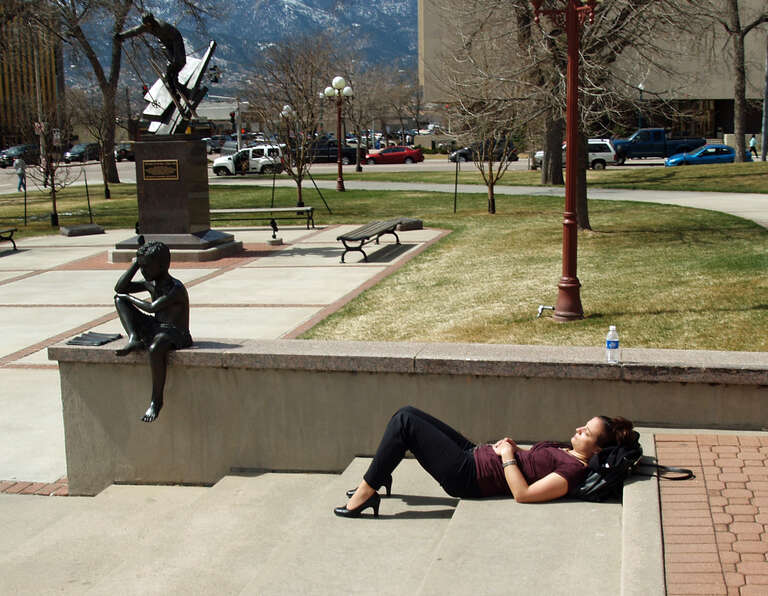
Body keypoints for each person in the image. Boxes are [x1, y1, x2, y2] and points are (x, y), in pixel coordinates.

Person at [335, 405, 634, 518]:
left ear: (597, 450)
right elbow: (533, 463)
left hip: (469, 476)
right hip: (475, 454)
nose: (579, 429)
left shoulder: (572, 471)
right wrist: (513, 449)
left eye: (586, 432)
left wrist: (507, 457)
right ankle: (379, 474)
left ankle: (367, 492)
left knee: (404, 423)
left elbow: (524, 494)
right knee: (408, 412)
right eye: (583, 425)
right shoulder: (568, 451)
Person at [114, 240, 192, 423]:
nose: (143, 271)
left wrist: (129, 297)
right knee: (119, 300)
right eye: (142, 267)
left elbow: (152, 307)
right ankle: (134, 338)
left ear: (162, 265)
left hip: (175, 333)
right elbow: (120, 288)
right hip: (157, 326)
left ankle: (156, 401)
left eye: (146, 266)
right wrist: (136, 263)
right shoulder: (151, 283)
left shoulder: (175, 288)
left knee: (155, 349)